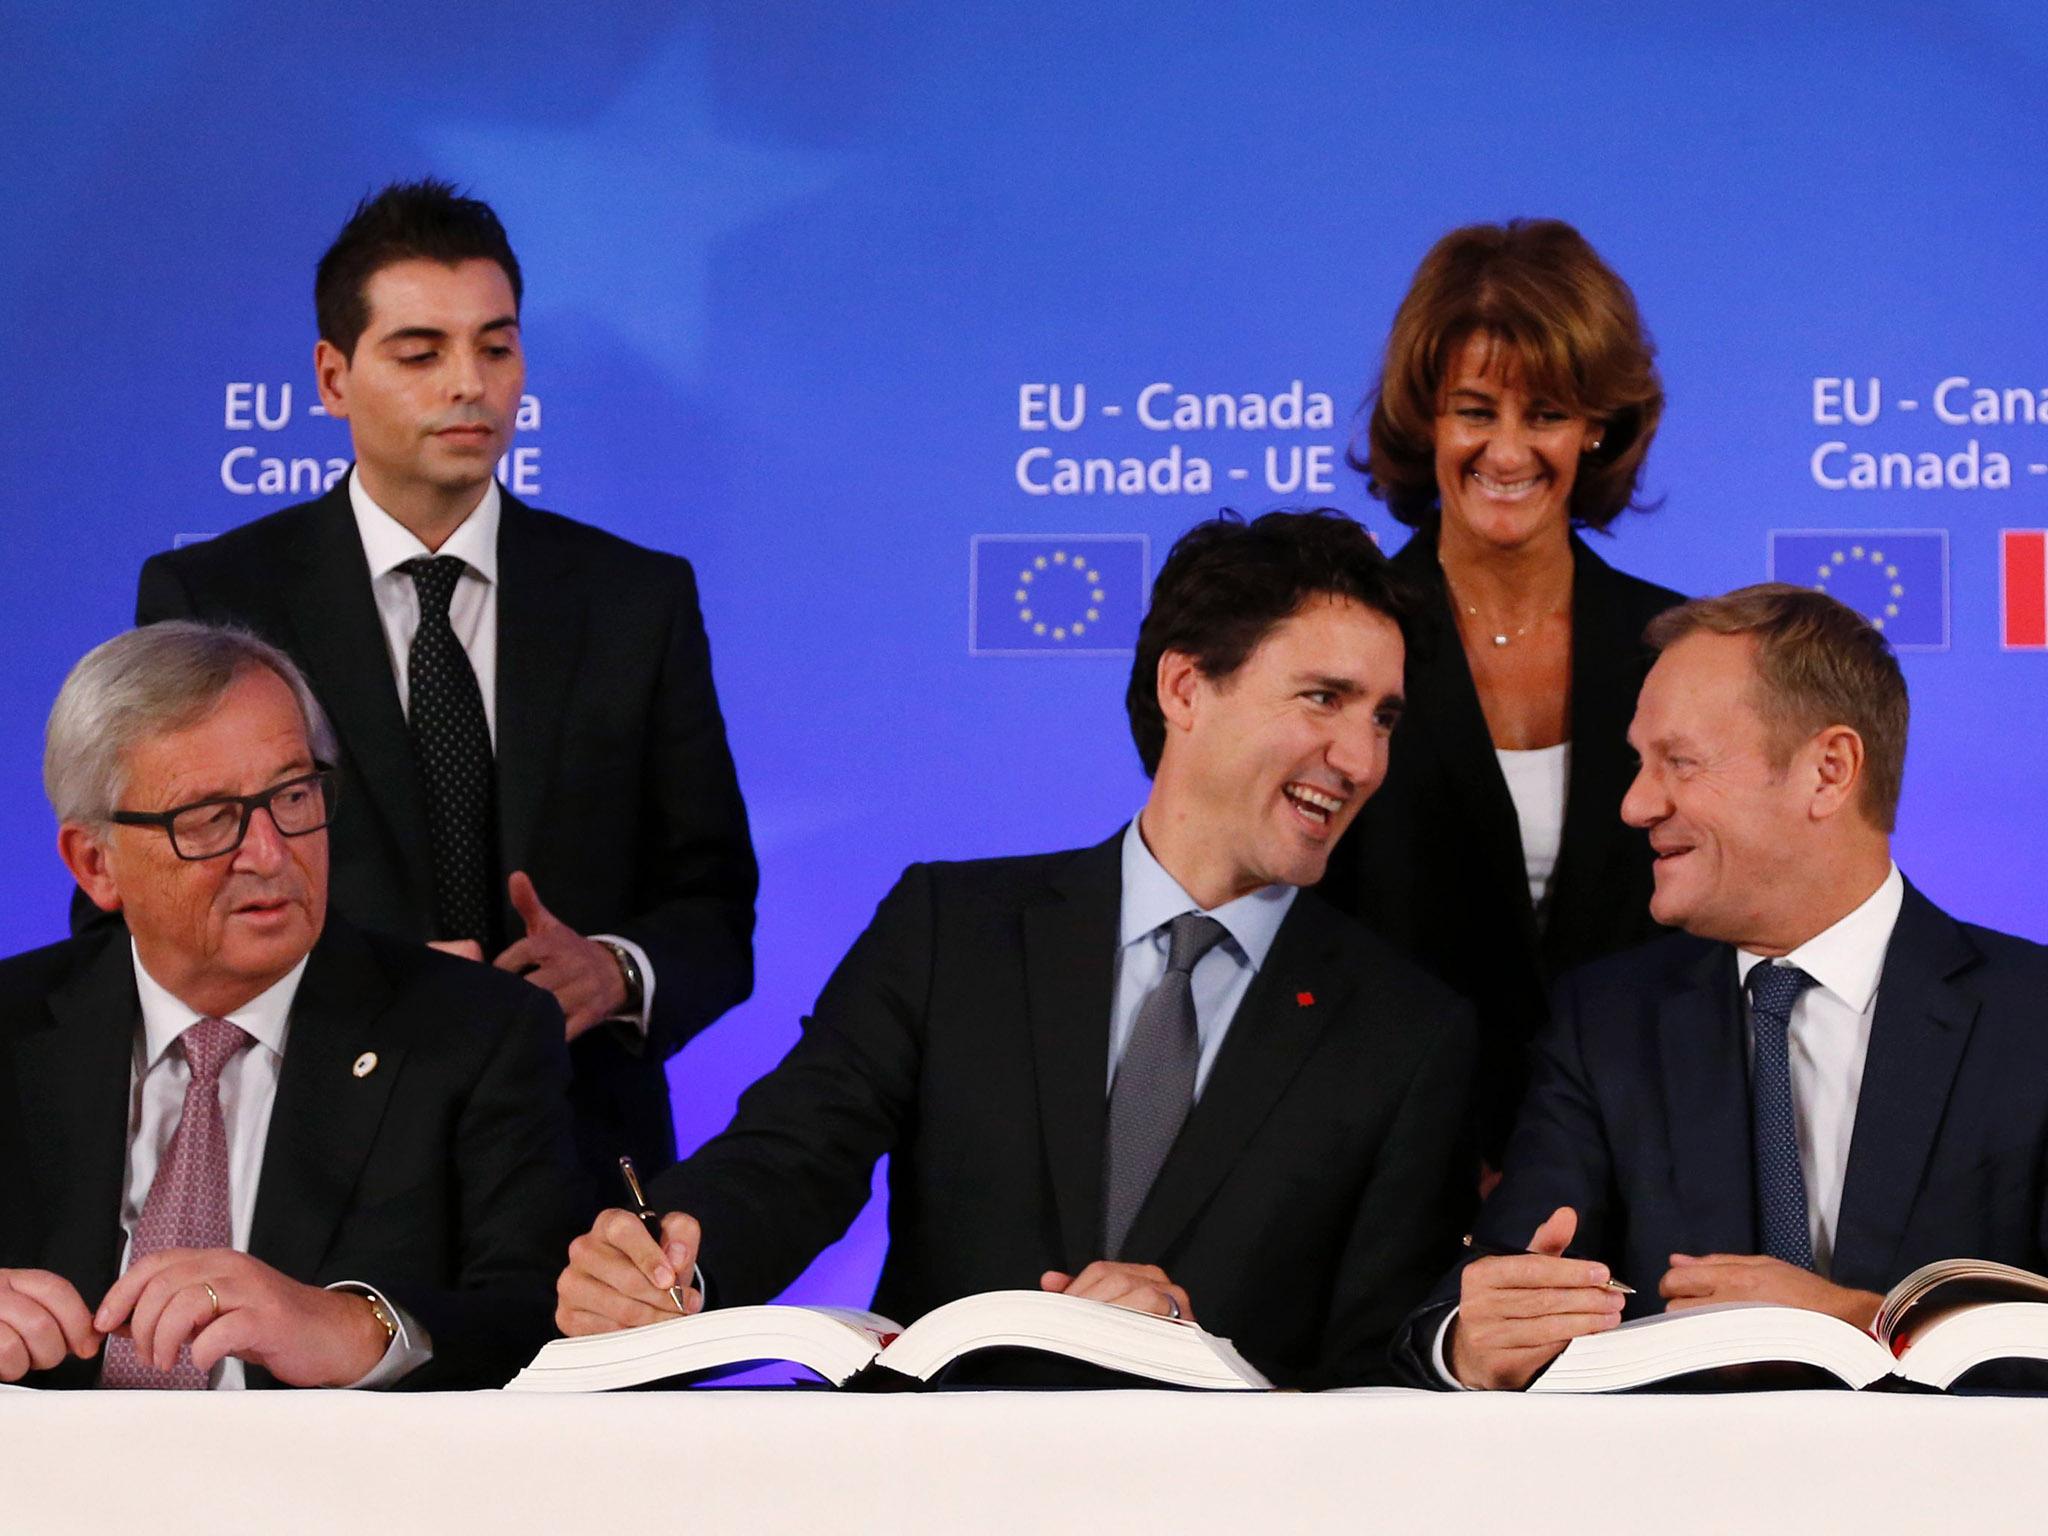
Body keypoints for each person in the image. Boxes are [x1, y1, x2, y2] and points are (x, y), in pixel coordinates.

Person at [555, 510, 1477, 1388]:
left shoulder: (1408, 1032)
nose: (1359, 759)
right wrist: (669, 1267)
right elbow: (793, 1157)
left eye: (1383, 720)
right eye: (1325, 699)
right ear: (1186, 686)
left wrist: (1200, 1355)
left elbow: (1379, 1367)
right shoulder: (952, 928)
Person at [113, 179, 758, 1201]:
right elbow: (133, 911)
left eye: (495, 348)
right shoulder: (213, 596)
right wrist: (353, 982)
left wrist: (618, 970)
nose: (469, 384)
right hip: (300, 1162)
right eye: (421, 353)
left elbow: (717, 906)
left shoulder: (637, 597)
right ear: (333, 377)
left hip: (575, 1165)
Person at [1395, 585, 2048, 1390]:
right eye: (1640, 763)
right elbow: (1482, 1291)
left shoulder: (2032, 1018)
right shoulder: (1606, 1025)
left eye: (1680, 762)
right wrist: (1471, 1340)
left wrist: (1857, 1324)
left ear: (1828, 771)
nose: (1635, 804)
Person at [3, 622, 578, 1389]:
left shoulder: (479, 1035)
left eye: (293, 795)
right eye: (208, 818)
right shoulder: (12, 1028)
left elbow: (546, 1326)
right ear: (95, 863)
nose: (272, 854)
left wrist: (360, 1329)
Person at [1319, 218, 1682, 1169]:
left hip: (1636, 1170)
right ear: (1426, 420)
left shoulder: (1682, 653)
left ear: (1597, 425)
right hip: (1384, 1171)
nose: (1508, 451)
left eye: (1548, 414)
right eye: (1475, 410)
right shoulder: (1342, 642)